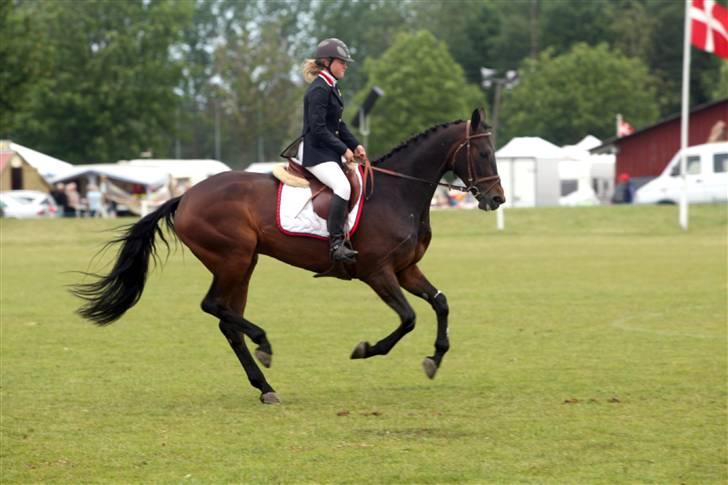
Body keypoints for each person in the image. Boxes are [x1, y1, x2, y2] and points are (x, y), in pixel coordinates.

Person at [285, 38, 367, 263]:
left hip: (327, 152)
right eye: (342, 62)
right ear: (327, 61)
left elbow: (338, 125)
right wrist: (343, 149)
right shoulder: (319, 89)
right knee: (342, 185)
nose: (346, 66)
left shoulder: (332, 87)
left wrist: (355, 144)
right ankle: (336, 244)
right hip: (315, 152)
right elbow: (318, 129)